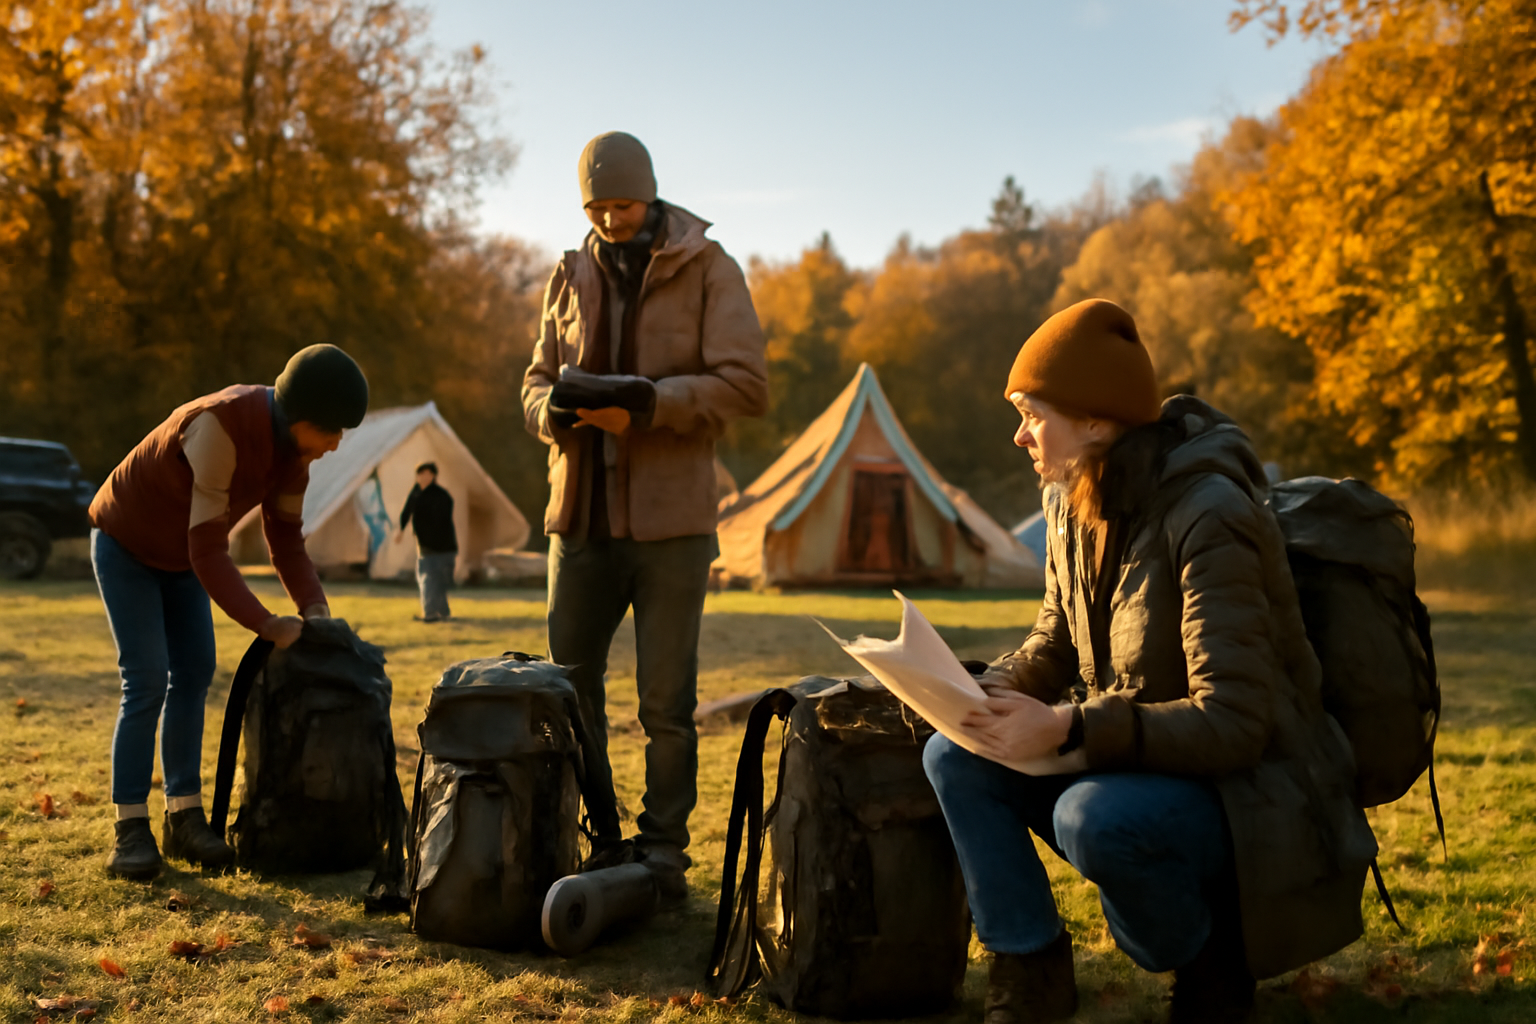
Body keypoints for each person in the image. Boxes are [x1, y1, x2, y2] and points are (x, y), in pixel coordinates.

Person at [922, 300, 1377, 1024]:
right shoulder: (1070, 503)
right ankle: (1030, 970)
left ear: (1097, 422)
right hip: (1138, 758)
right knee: (955, 755)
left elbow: (1235, 722)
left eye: (1033, 413)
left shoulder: (1210, 513)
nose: (1019, 435)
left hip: (1247, 793)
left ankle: (1212, 961)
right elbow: (1056, 639)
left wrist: (1069, 726)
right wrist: (977, 691)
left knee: (1090, 815)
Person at [521, 131, 768, 901]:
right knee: (569, 692)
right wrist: (552, 413)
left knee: (666, 705)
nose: (606, 219)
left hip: (672, 527)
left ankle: (663, 855)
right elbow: (533, 380)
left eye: (620, 204)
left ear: (650, 194)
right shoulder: (566, 273)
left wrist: (652, 407)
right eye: (593, 206)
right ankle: (597, 836)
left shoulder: (711, 269)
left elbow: (746, 385)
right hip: (579, 521)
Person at [89, 344, 370, 880]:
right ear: (302, 418)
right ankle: (129, 829)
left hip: (178, 557)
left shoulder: (296, 458)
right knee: (147, 679)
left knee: (194, 674)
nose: (336, 446)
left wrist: (316, 611)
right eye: (333, 432)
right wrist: (267, 623)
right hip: (126, 544)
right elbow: (208, 552)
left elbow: (286, 540)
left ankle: (184, 818)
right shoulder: (219, 428)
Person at [396, 461, 457, 622]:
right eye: (420, 474)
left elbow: (442, 520)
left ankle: (435, 613)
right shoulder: (416, 493)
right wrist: (401, 530)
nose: (423, 477)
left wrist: (431, 535)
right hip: (424, 546)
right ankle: (436, 612)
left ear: (433, 476)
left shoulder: (441, 495)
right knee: (430, 579)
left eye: (426, 474)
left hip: (442, 546)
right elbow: (407, 511)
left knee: (434, 580)